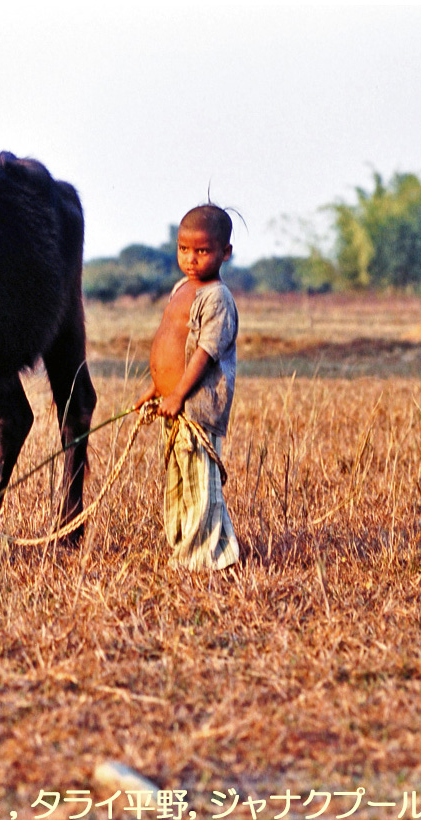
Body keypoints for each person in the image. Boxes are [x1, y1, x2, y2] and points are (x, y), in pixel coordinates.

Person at [138, 204, 240, 570]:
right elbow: (171, 339)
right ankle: (186, 547)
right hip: (174, 405)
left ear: (224, 253)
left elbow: (205, 351)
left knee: (201, 483)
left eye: (202, 251)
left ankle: (204, 557)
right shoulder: (182, 287)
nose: (191, 259)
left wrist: (180, 393)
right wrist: (157, 388)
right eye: (184, 249)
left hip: (196, 407)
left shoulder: (217, 298)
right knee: (180, 481)